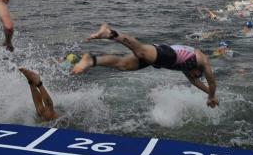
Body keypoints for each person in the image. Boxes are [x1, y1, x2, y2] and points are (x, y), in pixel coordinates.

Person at [72, 23, 219, 108]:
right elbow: (212, 82)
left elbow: (197, 83)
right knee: (140, 51)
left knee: (123, 65)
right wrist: (211, 95)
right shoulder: (202, 60)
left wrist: (210, 96)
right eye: (196, 75)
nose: (193, 78)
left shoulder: (189, 70)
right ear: (198, 70)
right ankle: (109, 33)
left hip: (161, 59)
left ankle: (91, 60)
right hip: (167, 53)